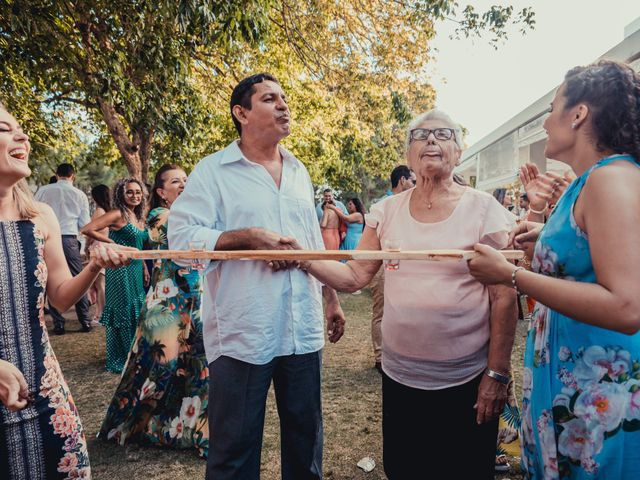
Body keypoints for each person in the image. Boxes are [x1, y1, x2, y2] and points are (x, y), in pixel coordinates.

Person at [297, 109, 517, 479]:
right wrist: (301, 259)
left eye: (444, 134)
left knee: (464, 470)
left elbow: (504, 297)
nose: (431, 140)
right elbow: (354, 275)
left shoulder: (485, 210)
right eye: (421, 135)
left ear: (459, 152)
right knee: (405, 469)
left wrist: (496, 373)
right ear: (408, 155)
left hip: (466, 378)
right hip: (400, 377)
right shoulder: (386, 211)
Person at [468, 60, 640, 479]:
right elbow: (585, 257)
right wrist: (542, 237)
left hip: (597, 394)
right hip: (569, 378)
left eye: (552, 107)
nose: (545, 121)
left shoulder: (611, 180)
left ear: (578, 114)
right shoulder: (589, 180)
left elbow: (626, 305)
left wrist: (511, 275)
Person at [168, 73, 345, 480]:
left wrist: (331, 298)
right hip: (244, 330)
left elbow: (311, 242)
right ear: (241, 113)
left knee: (306, 441)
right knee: (235, 449)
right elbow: (179, 239)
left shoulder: (299, 170)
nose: (283, 105)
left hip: (301, 326)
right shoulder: (213, 171)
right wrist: (246, 238)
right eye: (270, 99)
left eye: (284, 97)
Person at [0, 102, 129, 479]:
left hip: (45, 397)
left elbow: (59, 296)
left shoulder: (40, 216)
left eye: (20, 129)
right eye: (3, 129)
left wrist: (93, 265)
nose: (22, 136)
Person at [99, 164, 209, 456]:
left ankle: (189, 430)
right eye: (176, 182)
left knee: (195, 362)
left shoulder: (199, 215)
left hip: (195, 294)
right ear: (162, 192)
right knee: (158, 362)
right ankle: (127, 423)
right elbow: (164, 237)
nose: (184, 184)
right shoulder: (161, 215)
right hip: (167, 296)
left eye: (186, 180)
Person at [82, 178, 149, 373]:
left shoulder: (138, 216)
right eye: (130, 192)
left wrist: (144, 265)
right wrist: (112, 244)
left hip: (136, 267)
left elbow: (138, 246)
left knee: (136, 311)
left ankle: (136, 354)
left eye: (138, 192)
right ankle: (123, 357)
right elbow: (87, 229)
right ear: (121, 193)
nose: (135, 196)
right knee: (124, 311)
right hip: (119, 269)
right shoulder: (117, 214)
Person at [34, 163, 92, 334]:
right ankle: (86, 320)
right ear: (73, 175)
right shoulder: (79, 194)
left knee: (48, 280)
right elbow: (85, 224)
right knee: (78, 278)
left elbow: (32, 214)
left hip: (45, 238)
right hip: (69, 239)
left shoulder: (44, 191)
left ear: (56, 174)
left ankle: (58, 323)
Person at [370, 165, 415, 372]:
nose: (415, 185)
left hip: (402, 266)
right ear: (403, 180)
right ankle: (380, 357)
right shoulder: (384, 206)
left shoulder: (411, 206)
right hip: (382, 264)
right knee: (381, 311)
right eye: (412, 181)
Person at [86, 184, 112, 323]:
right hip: (106, 247)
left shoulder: (98, 211)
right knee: (100, 284)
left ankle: (101, 314)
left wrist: (86, 246)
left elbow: (91, 232)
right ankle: (98, 312)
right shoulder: (109, 211)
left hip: (97, 248)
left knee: (100, 284)